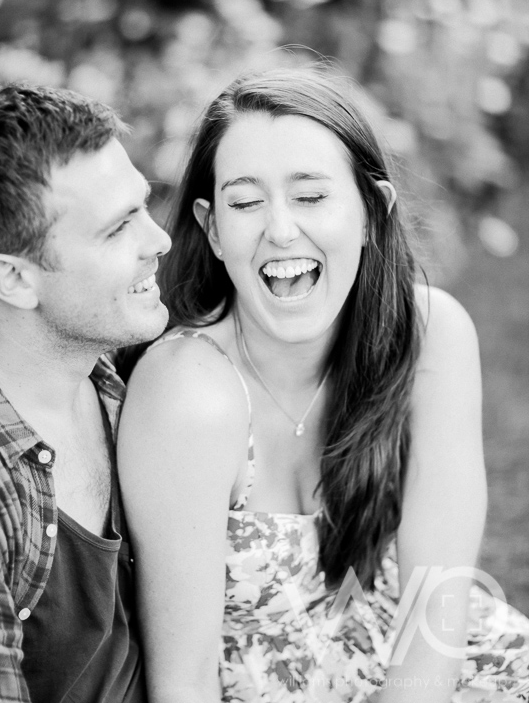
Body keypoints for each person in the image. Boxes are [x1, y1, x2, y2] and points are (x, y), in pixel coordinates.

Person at [117, 64, 529, 703]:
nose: (280, 229)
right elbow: (182, 685)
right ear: (212, 228)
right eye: (247, 202)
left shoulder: (429, 337)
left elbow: (436, 610)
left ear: (372, 213)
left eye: (311, 196)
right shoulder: (187, 394)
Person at [0, 84, 170, 703]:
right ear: (13, 277)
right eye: (118, 230)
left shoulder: (125, 382)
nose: (159, 241)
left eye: (143, 207)